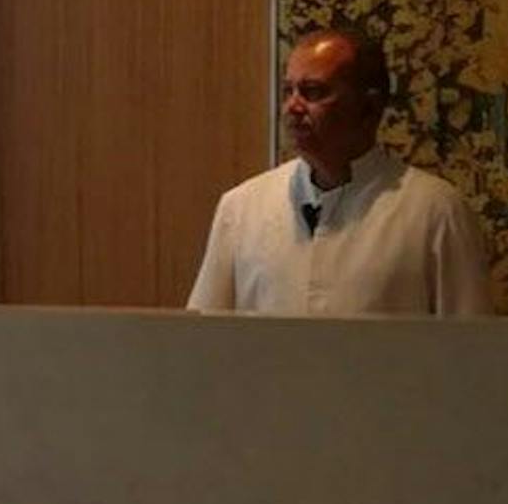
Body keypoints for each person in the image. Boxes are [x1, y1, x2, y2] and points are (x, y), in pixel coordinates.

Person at [188, 27, 492, 316]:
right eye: (288, 91)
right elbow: (202, 341)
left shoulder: (435, 211)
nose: (293, 107)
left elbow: (470, 350)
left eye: (313, 92)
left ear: (369, 107)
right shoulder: (241, 208)